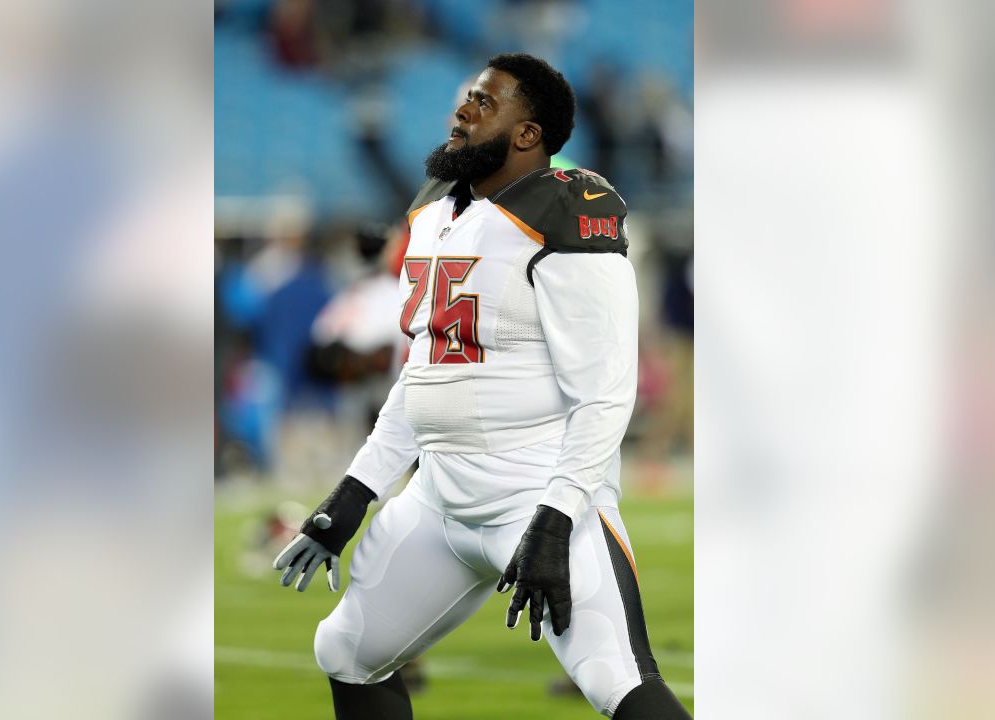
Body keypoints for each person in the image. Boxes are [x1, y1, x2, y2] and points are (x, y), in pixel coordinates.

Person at [273, 53, 691, 719]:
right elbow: (427, 371)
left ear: (528, 135)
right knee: (346, 653)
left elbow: (606, 394)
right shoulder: (436, 212)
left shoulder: (565, 212)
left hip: (536, 495)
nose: (462, 111)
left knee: (622, 684)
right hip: (439, 499)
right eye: (467, 97)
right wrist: (354, 494)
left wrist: (556, 521)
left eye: (483, 102)